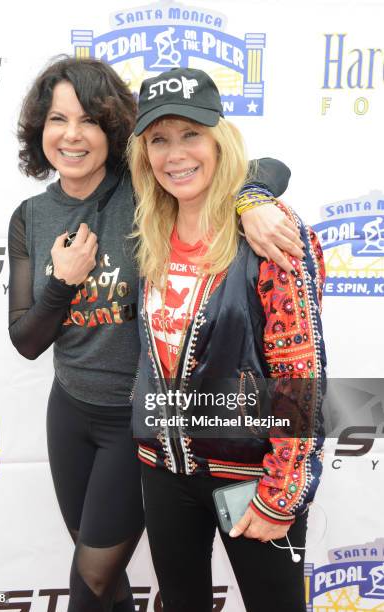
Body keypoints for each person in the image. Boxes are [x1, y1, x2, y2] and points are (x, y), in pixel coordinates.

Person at [8, 56, 303, 612]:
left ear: (114, 131)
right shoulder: (29, 217)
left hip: (138, 420)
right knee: (99, 570)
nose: (71, 136)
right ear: (38, 129)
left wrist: (253, 198)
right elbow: (25, 338)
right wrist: (61, 285)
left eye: (89, 120)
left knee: (92, 577)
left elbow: (260, 164)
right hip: (71, 411)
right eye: (56, 119)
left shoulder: (143, 196)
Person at [129, 67, 326, 612]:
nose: (175, 154)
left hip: (251, 476)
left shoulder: (268, 230)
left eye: (191, 133)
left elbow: (300, 377)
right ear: (144, 152)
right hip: (163, 471)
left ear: (220, 137)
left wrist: (281, 494)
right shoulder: (149, 228)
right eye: (159, 139)